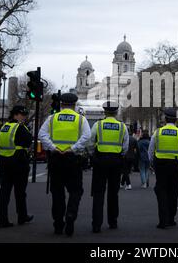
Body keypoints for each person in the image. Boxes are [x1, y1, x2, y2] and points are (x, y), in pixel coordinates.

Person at [38, 93, 91, 236]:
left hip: (56, 159)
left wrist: (53, 147)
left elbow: (42, 135)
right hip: (73, 160)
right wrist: (73, 148)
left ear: (61, 104)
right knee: (76, 191)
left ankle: (58, 224)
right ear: (74, 104)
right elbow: (87, 136)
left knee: (57, 193)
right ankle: (71, 215)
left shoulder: (52, 118)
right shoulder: (80, 119)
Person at [87, 101, 129, 233]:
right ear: (116, 112)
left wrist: (93, 155)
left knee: (98, 193)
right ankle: (113, 222)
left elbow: (90, 142)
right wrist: (119, 155)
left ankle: (96, 224)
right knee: (113, 193)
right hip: (116, 162)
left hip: (100, 161)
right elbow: (125, 146)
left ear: (104, 112)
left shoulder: (98, 125)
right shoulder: (122, 127)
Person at [148, 107, 178, 229]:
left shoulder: (158, 132)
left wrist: (151, 163)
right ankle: (171, 218)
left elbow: (151, 151)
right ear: (176, 120)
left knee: (161, 191)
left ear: (165, 119)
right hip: (175, 166)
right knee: (174, 192)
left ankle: (163, 220)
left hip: (160, 166)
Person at [0, 105, 34, 228]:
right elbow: (29, 141)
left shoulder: (4, 127)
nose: (24, 117)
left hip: (4, 161)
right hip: (18, 162)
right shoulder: (20, 127)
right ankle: (22, 216)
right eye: (22, 115)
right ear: (16, 115)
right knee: (20, 192)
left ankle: (2, 219)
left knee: (4, 191)